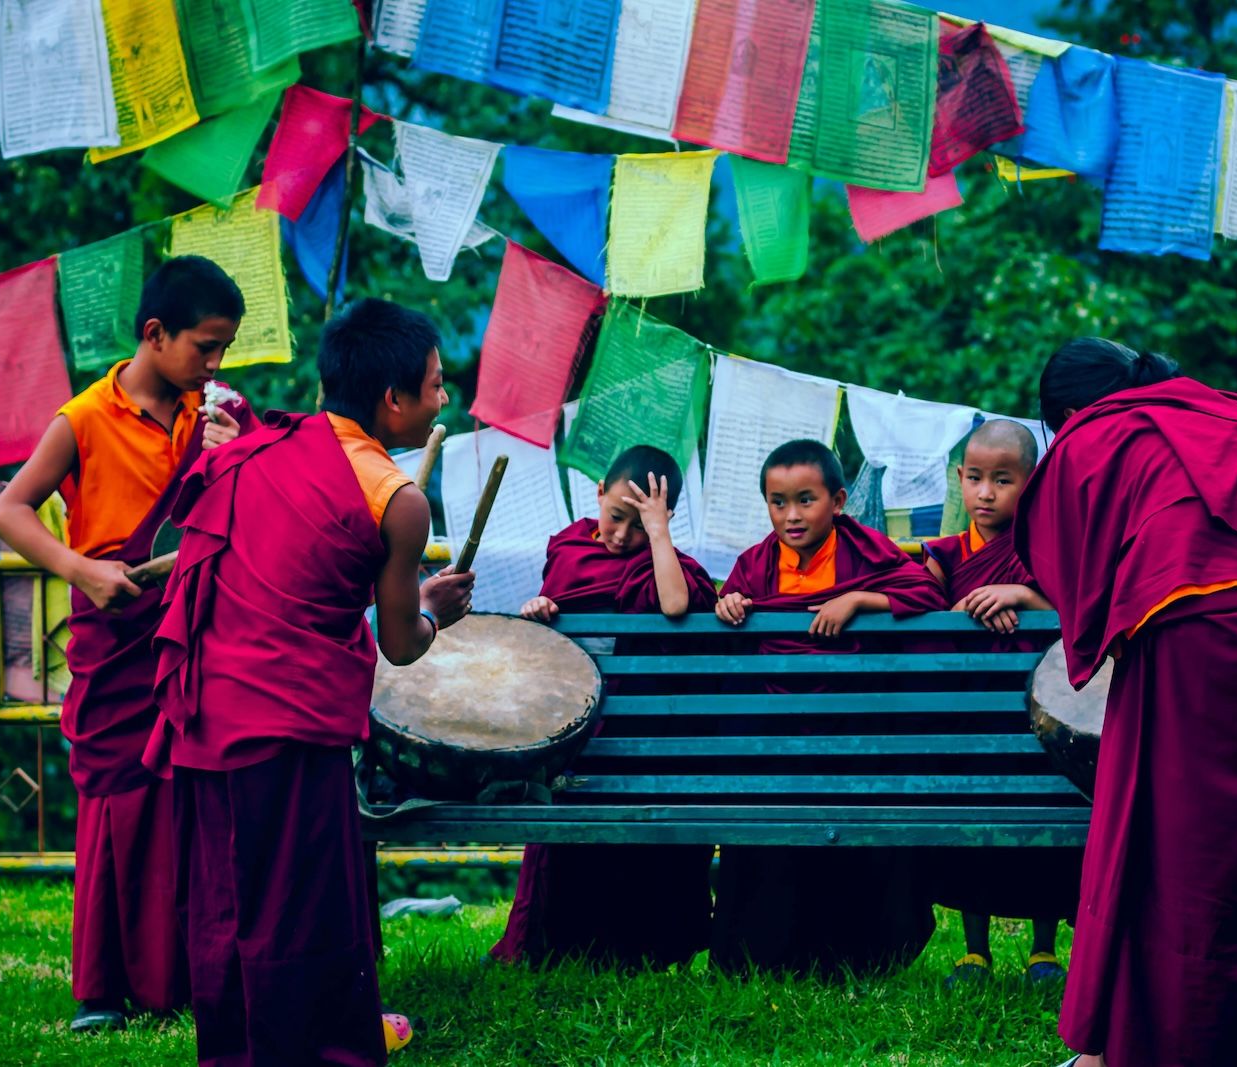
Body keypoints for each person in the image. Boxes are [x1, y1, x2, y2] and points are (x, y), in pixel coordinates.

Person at [1013, 339, 1237, 1067]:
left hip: (1187, 623)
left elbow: (1064, 554)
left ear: (1071, 412)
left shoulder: (1096, 431)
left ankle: (1123, 1047)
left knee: (1164, 833)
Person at [142, 298, 475, 1065]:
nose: (443, 398)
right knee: (300, 899)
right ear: (392, 400)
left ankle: (232, 1048)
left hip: (205, 707)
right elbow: (399, 644)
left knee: (227, 895)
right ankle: (313, 1049)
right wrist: (435, 613)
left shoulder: (247, 452)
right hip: (288, 717)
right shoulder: (399, 499)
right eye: (434, 384)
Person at [0, 255, 254, 1033]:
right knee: (120, 799)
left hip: (199, 627)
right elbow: (10, 510)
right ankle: (102, 984)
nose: (215, 365)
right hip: (119, 626)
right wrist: (81, 569)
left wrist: (235, 448)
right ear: (154, 333)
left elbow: (252, 502)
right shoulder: (82, 419)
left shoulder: (216, 410)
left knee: (194, 798)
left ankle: (186, 972)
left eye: (223, 350)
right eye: (205, 347)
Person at [710, 439, 945, 978]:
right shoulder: (755, 562)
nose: (791, 516)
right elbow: (732, 632)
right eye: (778, 502)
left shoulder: (866, 551)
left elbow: (925, 596)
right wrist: (729, 604)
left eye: (806, 500)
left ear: (838, 501)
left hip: (852, 737)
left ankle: (859, 955)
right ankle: (762, 954)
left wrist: (860, 600)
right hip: (773, 741)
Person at [490, 446, 719, 969]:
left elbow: (676, 605)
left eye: (639, 526)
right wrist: (540, 609)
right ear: (597, 493)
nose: (621, 536)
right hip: (577, 740)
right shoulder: (569, 550)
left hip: (649, 744)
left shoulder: (668, 566)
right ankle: (560, 946)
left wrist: (657, 534)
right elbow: (551, 640)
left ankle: (647, 949)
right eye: (616, 517)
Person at [920, 418, 1082, 989]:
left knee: (1043, 825)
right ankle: (974, 951)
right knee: (974, 826)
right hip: (968, 714)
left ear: (1032, 483)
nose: (985, 493)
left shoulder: (1048, 550)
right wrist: (960, 612)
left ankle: (1043, 950)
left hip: (1039, 720)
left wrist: (1021, 594)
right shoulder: (941, 554)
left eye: (1003, 480)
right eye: (974, 478)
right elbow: (919, 614)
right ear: (959, 479)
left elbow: (1077, 610)